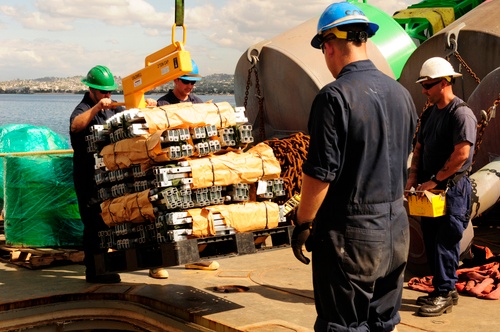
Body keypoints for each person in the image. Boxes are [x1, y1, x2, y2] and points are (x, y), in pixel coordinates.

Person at [291, 2, 417, 331]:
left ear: (329, 47)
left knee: (344, 326)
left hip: (352, 238)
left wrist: (303, 222)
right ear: (363, 40)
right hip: (396, 230)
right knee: (382, 323)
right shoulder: (402, 94)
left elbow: (320, 172)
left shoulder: (334, 97)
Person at [405, 57, 477, 317]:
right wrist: (413, 179)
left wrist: (434, 180)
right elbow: (419, 148)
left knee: (445, 241)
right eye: (423, 85)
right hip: (429, 191)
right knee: (433, 239)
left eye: (429, 85)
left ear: (445, 83)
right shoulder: (429, 113)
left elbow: (461, 154)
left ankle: (444, 293)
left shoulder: (461, 113)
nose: (424, 90)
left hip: (452, 190)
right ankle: (443, 289)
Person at [146, 59, 219, 279]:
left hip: (192, 167)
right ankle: (157, 263)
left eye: (193, 83)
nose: (190, 87)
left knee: (193, 212)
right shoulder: (162, 104)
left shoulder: (198, 103)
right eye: (186, 81)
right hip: (168, 169)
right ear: (175, 79)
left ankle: (192, 258)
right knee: (165, 214)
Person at [70, 65, 125, 283]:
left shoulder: (113, 109)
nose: (107, 96)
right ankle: (94, 272)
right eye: (103, 92)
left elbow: (131, 117)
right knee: (93, 224)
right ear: (91, 89)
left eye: (110, 92)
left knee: (105, 223)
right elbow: (76, 126)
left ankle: (103, 266)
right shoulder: (83, 108)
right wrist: (95, 109)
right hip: (88, 179)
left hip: (107, 178)